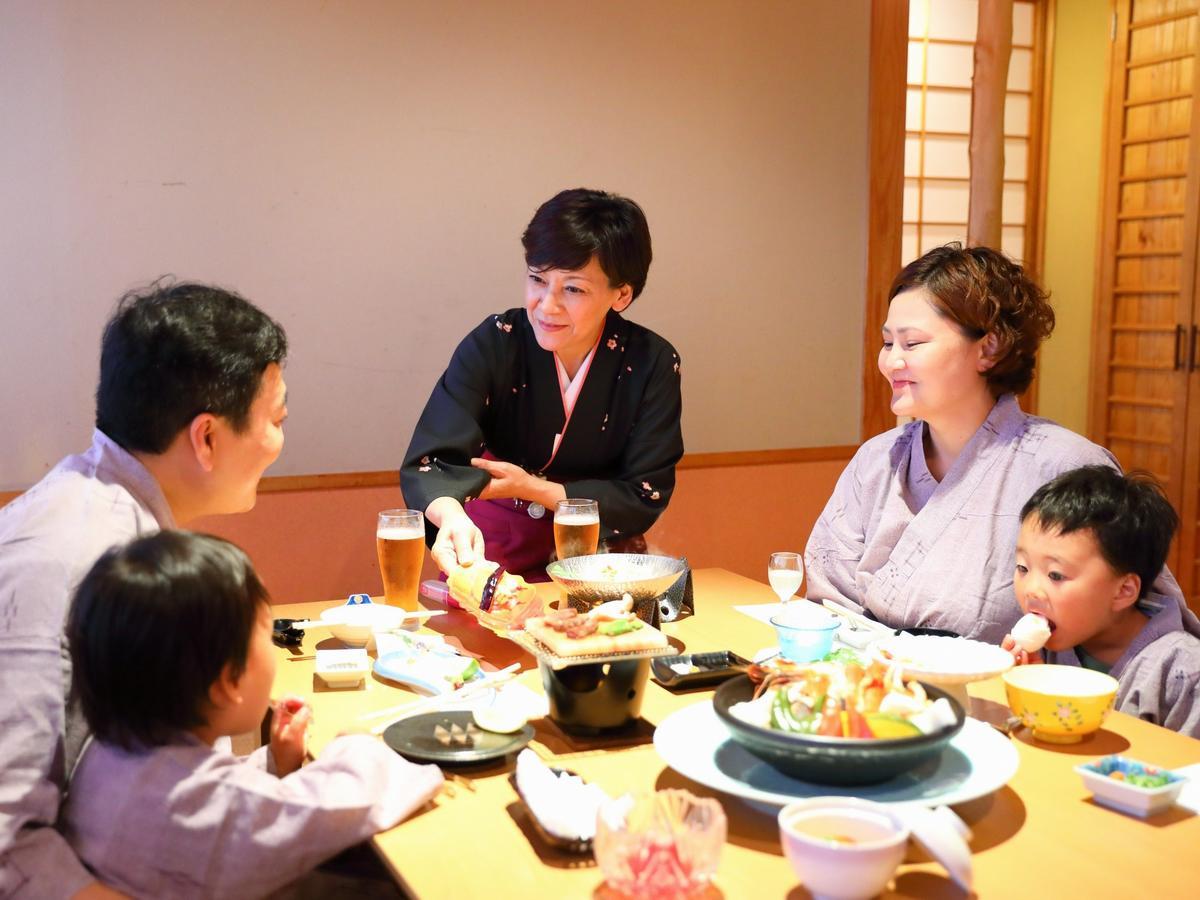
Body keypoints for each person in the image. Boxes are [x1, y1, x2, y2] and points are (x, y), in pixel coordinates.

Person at [0, 281, 288, 898]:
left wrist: (268, 768)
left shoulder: (107, 512)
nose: (278, 442)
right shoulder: (74, 558)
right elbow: (7, 839)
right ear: (207, 437)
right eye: (277, 419)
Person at [804, 243, 1184, 643]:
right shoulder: (876, 459)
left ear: (989, 347)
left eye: (912, 343)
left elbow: (1132, 617)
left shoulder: (1064, 465)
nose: (891, 362)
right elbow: (829, 602)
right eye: (887, 343)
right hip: (875, 689)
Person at [61, 531, 443, 897]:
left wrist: (275, 761)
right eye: (265, 631)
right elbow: (354, 797)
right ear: (228, 680)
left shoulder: (105, 753)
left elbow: (222, 793)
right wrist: (354, 742)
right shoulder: (214, 811)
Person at [401, 188, 684, 580]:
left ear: (621, 294)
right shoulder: (496, 341)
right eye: (537, 278)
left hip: (596, 557)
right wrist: (450, 516)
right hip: (491, 545)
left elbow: (644, 493)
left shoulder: (650, 361)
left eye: (573, 288)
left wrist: (534, 488)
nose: (546, 305)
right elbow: (432, 462)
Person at [999, 467, 1200, 736]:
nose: (1031, 590)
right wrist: (1032, 687)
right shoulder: (1051, 649)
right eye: (1023, 568)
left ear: (1123, 591)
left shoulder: (1183, 672)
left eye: (1055, 575)